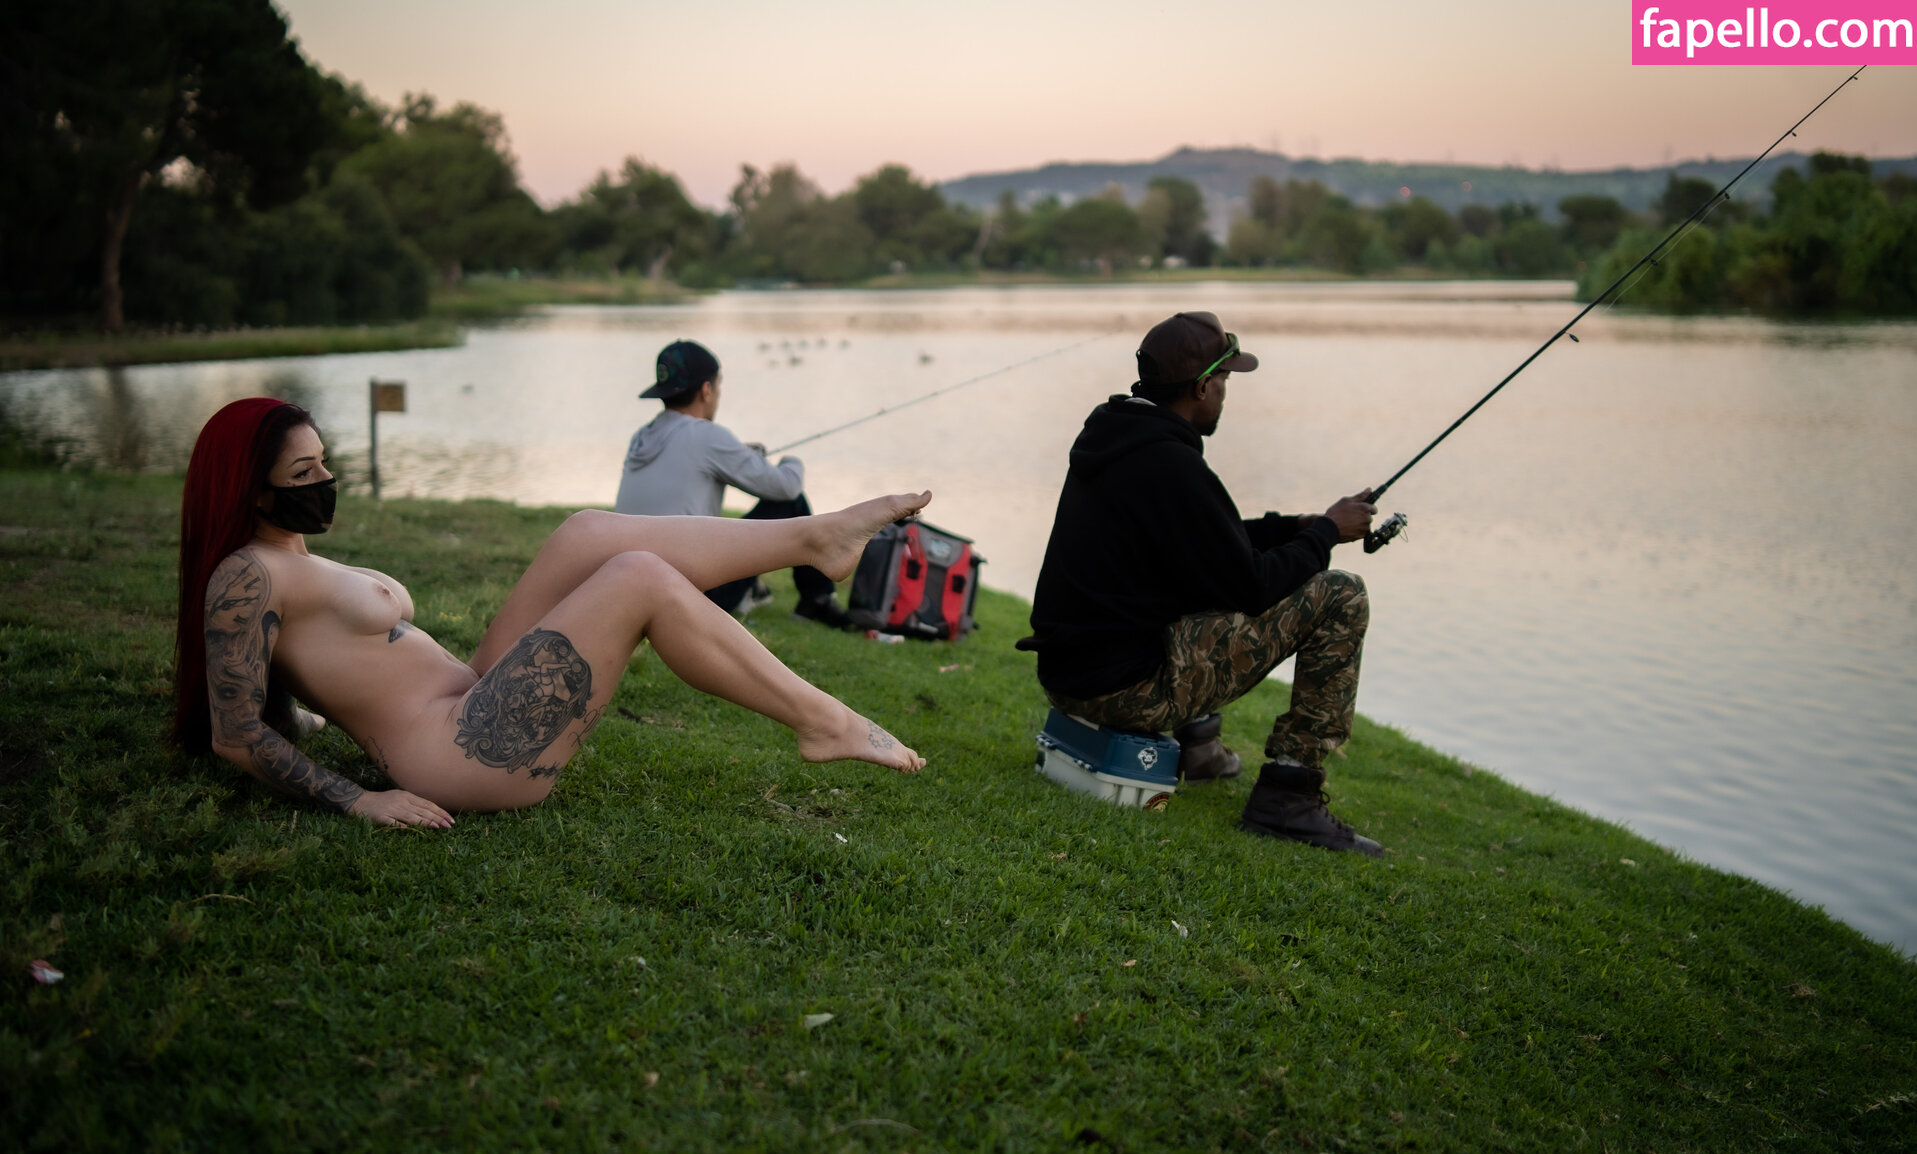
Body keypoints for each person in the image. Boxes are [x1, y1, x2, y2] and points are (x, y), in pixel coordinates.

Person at [174, 398, 928, 827]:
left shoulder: (288, 556)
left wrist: (301, 716)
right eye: (304, 472)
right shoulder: (247, 575)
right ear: (251, 488)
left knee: (587, 533)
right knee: (637, 576)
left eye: (324, 461)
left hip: (468, 698)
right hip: (457, 754)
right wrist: (361, 800)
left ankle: (812, 538)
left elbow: (287, 679)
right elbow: (235, 736)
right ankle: (822, 721)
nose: (325, 479)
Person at [1016, 311, 1384, 855]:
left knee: (1196, 586)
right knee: (1341, 593)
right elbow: (1252, 586)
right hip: (1124, 693)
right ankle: (1290, 794)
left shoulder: (1117, 436)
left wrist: (1296, 527)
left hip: (1070, 678)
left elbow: (1208, 543)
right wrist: (1327, 533)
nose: (1226, 394)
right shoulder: (1171, 463)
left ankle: (1200, 746)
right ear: (1203, 386)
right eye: (1226, 380)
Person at [615, 339, 850, 627]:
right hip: (686, 596)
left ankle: (759, 591)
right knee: (791, 502)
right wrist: (792, 461)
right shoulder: (707, 436)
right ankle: (817, 601)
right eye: (718, 387)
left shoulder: (642, 437)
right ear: (706, 390)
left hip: (629, 583)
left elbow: (693, 460)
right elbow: (787, 486)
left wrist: (739, 454)